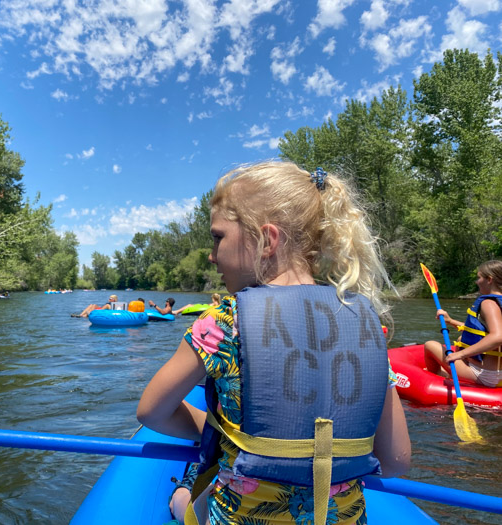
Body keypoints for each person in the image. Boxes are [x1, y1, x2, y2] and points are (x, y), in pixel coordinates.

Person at [137, 162, 410, 525]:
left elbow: (151, 412)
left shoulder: (223, 321)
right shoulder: (369, 324)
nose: (211, 254)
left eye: (218, 237)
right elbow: (394, 462)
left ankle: (181, 493)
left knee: (185, 497)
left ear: (268, 240)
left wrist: (219, 430)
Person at [423, 260, 502, 387]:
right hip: (497, 374)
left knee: (430, 345)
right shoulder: (499, 302)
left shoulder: (489, 303)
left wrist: (460, 354)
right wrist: (451, 321)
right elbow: (480, 331)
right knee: (461, 339)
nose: (477, 282)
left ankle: (436, 375)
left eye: (479, 277)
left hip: (487, 376)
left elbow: (498, 337)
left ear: (489, 279)